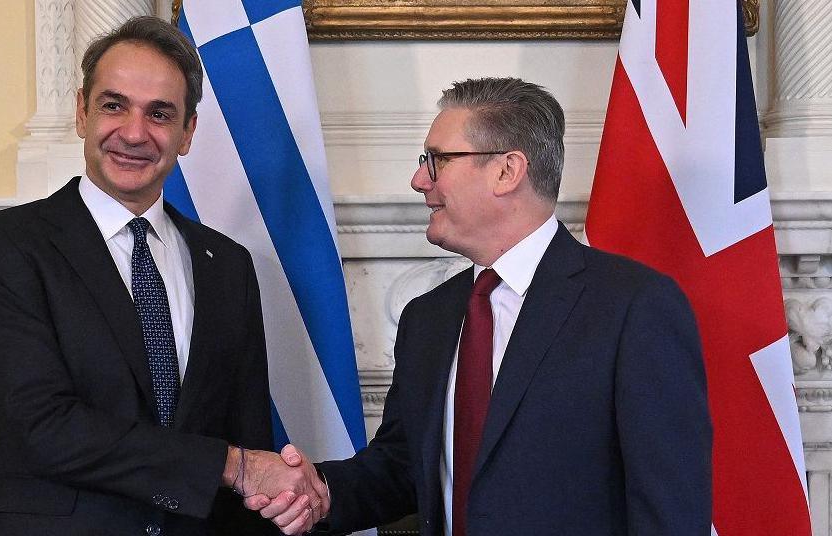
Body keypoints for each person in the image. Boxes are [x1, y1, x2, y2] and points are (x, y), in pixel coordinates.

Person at [247, 77, 712, 535]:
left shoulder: (633, 306)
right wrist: (324, 492)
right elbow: (404, 467)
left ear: (507, 171)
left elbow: (668, 508)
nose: (418, 180)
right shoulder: (428, 318)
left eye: (437, 160)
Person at [0, 16, 324, 536]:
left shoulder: (228, 266)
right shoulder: (3, 247)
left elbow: (247, 436)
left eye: (160, 114)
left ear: (188, 132)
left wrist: (274, 492)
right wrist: (233, 465)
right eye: (114, 105)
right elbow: (44, 426)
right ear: (82, 111)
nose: (133, 133)